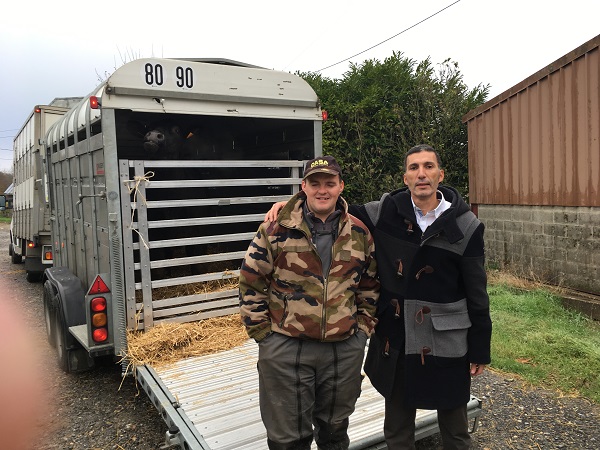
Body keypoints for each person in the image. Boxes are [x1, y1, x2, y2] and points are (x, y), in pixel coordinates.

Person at [265, 145, 492, 449]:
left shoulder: (466, 225)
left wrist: (479, 348)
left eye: (428, 167)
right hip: (397, 336)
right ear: (405, 177)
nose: (421, 174)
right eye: (413, 168)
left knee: (455, 429)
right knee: (397, 429)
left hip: (446, 339)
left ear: (441, 174)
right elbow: (333, 206)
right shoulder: (386, 210)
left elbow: (477, 292)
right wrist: (291, 205)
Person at [239, 155, 380, 450]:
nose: (322, 190)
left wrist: (363, 330)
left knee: (335, 432)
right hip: (286, 347)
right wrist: (263, 335)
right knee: (287, 438)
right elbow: (251, 281)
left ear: (341, 186)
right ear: (303, 186)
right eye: (315, 183)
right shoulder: (275, 230)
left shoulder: (358, 232)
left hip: (342, 350)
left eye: (330, 183)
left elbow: (369, 285)